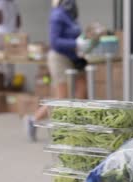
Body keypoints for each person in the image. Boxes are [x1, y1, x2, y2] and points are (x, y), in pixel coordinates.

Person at [25, 0, 87, 142]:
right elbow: (55, 42)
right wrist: (75, 43)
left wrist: (83, 42)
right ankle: (33, 120)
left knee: (82, 92)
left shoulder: (71, 16)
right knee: (62, 98)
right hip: (59, 58)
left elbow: (75, 35)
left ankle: (76, 128)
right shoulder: (57, 15)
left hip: (73, 57)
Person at [0, 0, 21, 87]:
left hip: (2, 33)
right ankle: (9, 82)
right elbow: (18, 22)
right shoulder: (15, 3)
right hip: (12, 35)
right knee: (10, 59)